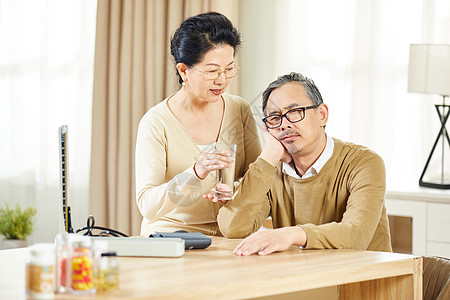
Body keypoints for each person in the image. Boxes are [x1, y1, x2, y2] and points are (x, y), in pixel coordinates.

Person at [214, 72, 392, 255]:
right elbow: (232, 227)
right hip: (304, 276)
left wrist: (292, 234)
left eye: (294, 112)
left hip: (363, 279)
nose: (284, 125)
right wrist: (269, 155)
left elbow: (356, 235)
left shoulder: (364, 163)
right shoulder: (271, 168)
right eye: (275, 118)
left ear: (322, 114)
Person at [135, 12, 261, 236]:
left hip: (228, 234)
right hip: (171, 236)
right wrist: (195, 172)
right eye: (212, 71)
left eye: (229, 69)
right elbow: (147, 205)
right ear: (184, 70)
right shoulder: (156, 123)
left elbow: (255, 179)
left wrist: (233, 191)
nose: (222, 80)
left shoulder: (239, 110)